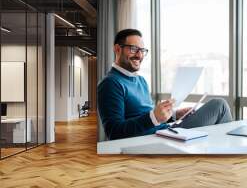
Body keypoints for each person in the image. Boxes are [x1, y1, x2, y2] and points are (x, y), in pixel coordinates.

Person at [97, 29, 232, 140]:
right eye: (133, 49)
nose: (139, 55)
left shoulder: (141, 81)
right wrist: (154, 117)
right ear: (117, 49)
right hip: (154, 138)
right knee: (219, 105)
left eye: (142, 50)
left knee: (219, 108)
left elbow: (147, 116)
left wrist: (173, 115)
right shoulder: (110, 83)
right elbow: (114, 132)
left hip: (166, 131)